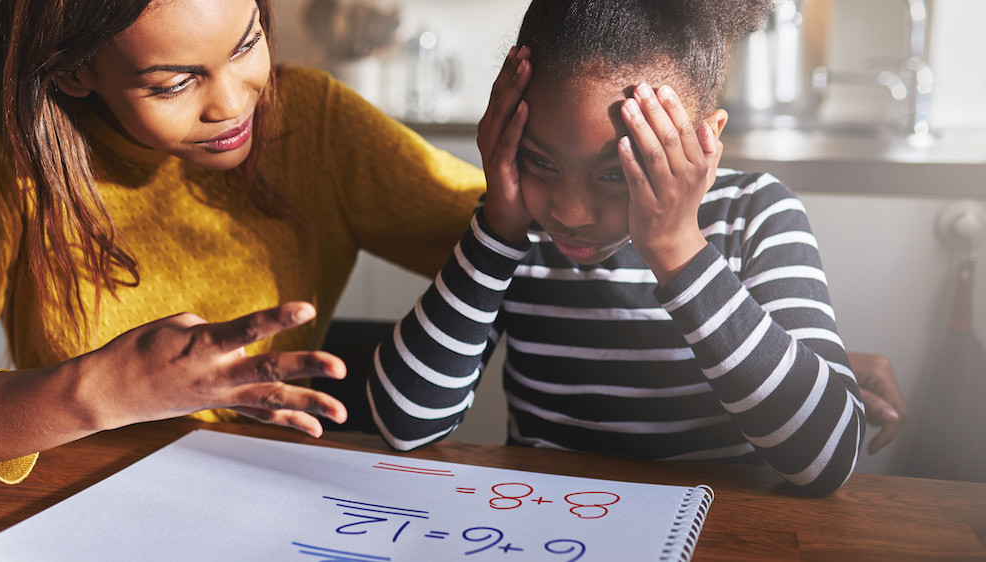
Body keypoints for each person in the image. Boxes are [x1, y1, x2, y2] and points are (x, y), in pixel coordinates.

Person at [0, 0, 485, 483]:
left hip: (279, 497)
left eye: (246, 42)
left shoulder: (311, 121)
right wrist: (98, 393)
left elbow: (527, 241)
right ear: (73, 73)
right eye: (174, 82)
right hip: (73, 504)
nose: (232, 103)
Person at [367, 0, 866, 496]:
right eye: (541, 162)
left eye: (616, 173)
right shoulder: (512, 230)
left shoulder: (754, 215)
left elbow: (826, 458)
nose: (570, 212)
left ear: (706, 143)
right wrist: (497, 229)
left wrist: (677, 247)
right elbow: (404, 422)